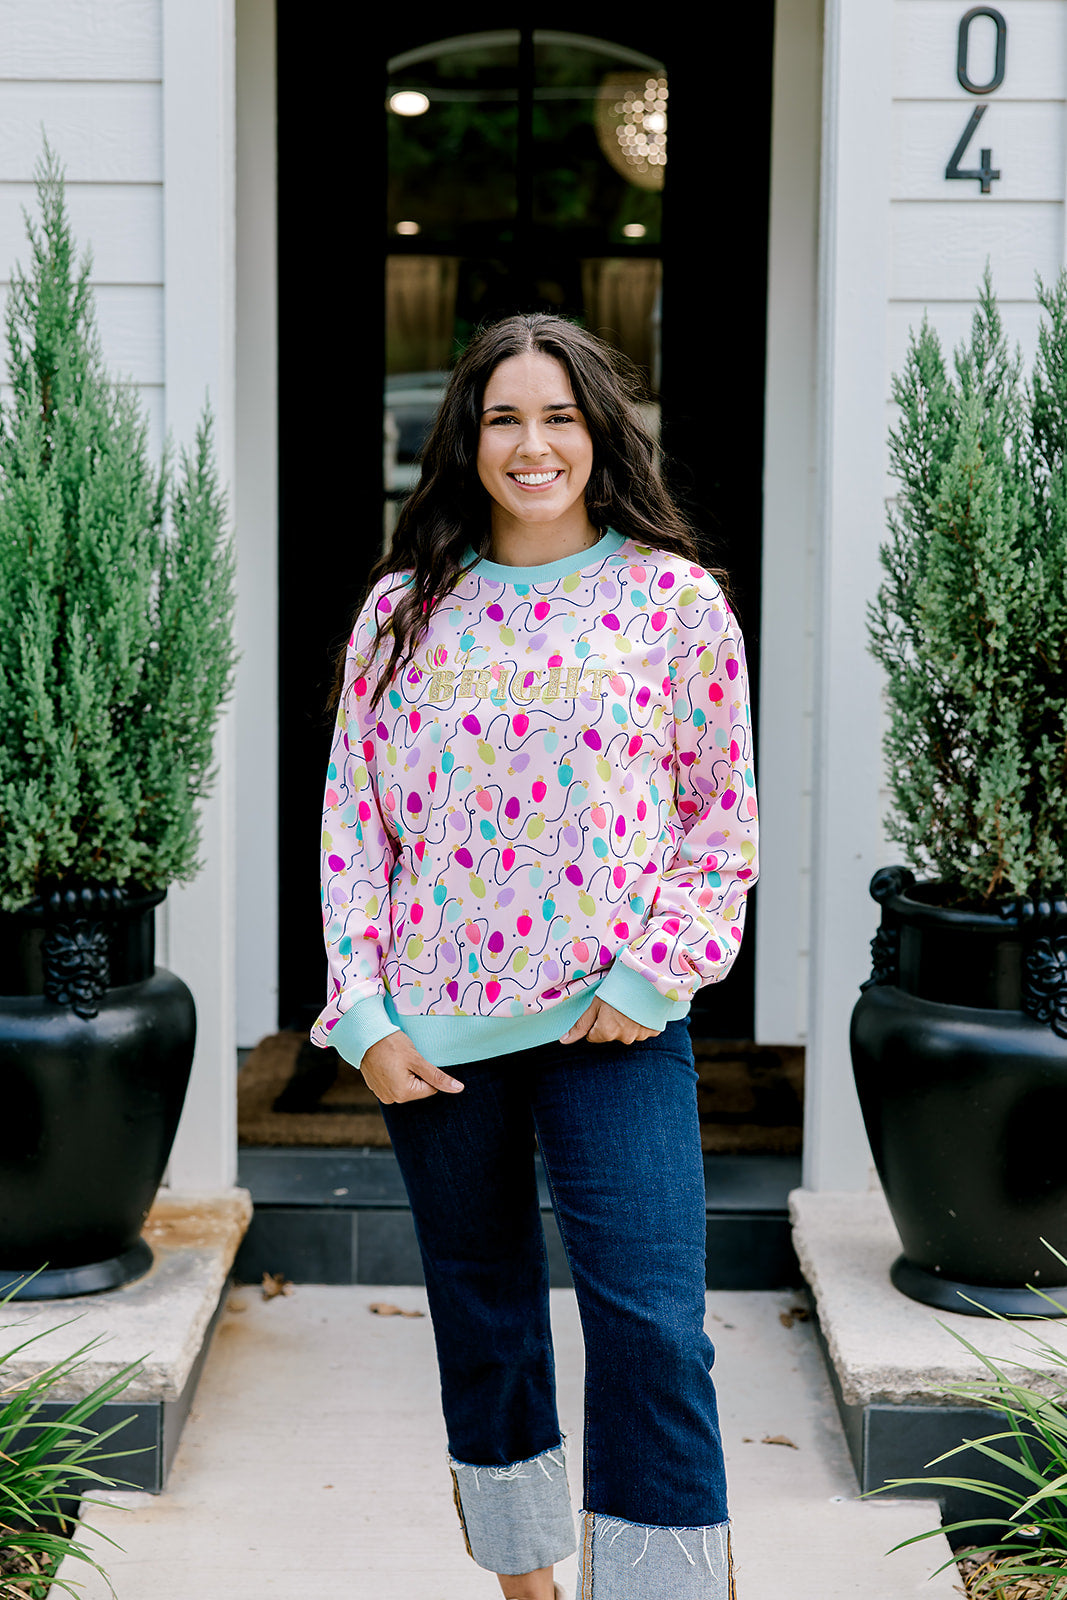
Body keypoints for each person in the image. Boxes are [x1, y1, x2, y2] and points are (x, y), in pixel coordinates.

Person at [311, 314, 756, 1599]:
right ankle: (527, 1582)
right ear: (465, 438)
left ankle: (666, 1583)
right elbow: (354, 823)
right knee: (487, 1322)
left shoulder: (672, 603)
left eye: (557, 415)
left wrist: (647, 977)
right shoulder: (403, 612)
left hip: (609, 1025)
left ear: (599, 432)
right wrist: (362, 1015)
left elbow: (716, 819)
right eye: (503, 417)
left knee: (653, 1331)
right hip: (437, 1043)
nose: (531, 443)